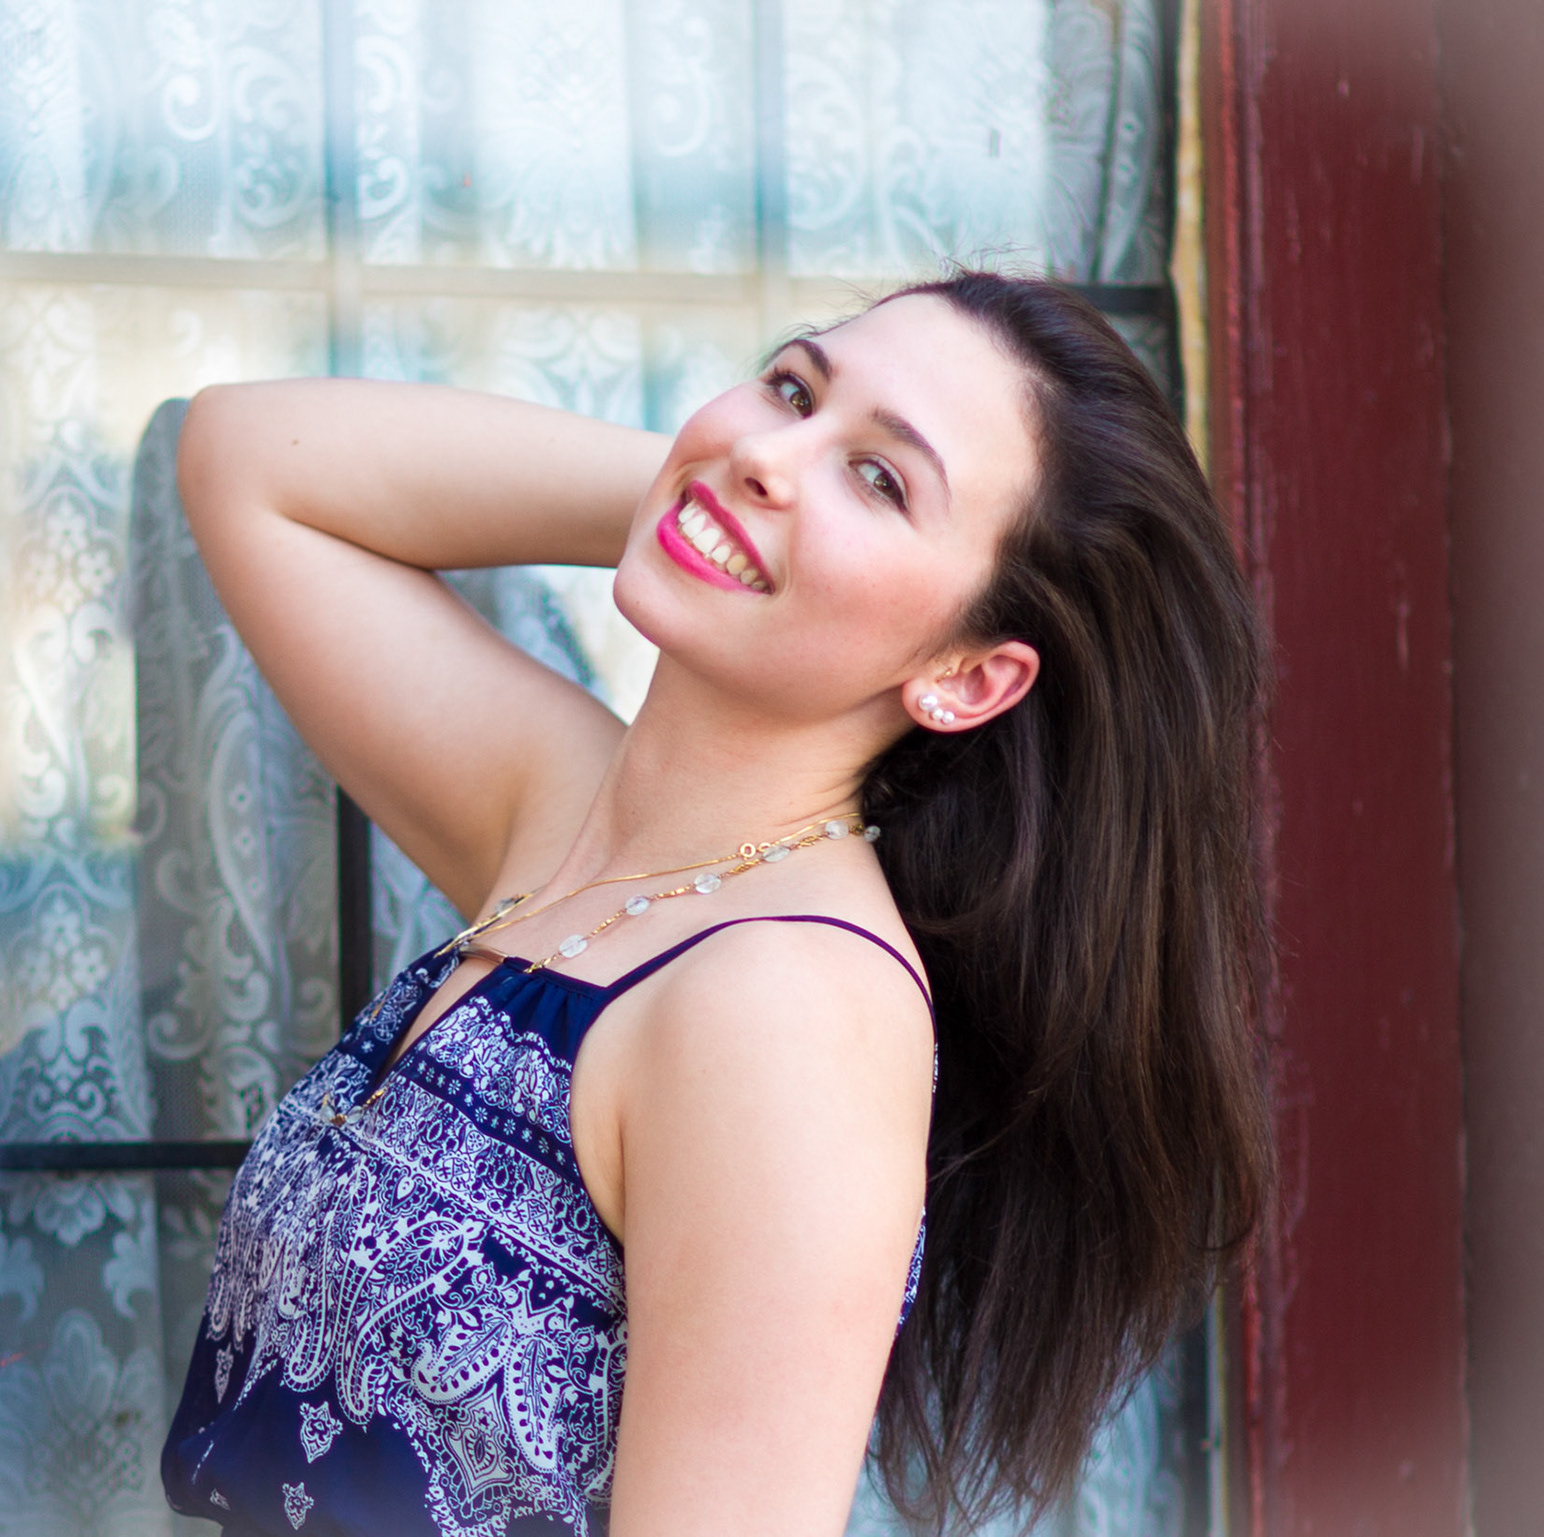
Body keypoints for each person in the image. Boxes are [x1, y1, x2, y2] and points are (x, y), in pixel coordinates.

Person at [159, 270, 1271, 1537]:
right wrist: (721, 483)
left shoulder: (790, 1009)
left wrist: (757, 508)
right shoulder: (573, 823)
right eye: (791, 387)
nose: (772, 451)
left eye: (883, 479)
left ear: (967, 677)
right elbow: (249, 456)